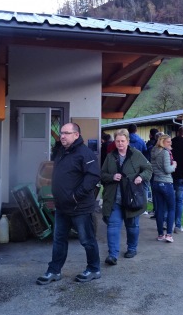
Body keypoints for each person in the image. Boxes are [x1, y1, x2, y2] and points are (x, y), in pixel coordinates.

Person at [36, 122, 101, 285]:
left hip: (80, 207)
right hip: (62, 206)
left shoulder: (85, 154)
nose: (62, 136)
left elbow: (93, 177)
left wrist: (75, 196)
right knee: (59, 240)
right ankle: (54, 271)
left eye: (66, 133)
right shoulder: (62, 152)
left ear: (76, 135)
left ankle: (94, 269)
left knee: (87, 240)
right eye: (61, 133)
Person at [100, 129, 152, 265]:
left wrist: (141, 177)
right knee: (113, 226)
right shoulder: (110, 156)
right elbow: (102, 174)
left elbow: (148, 169)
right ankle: (112, 255)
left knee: (132, 226)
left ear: (128, 141)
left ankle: (132, 248)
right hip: (114, 199)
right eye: (117, 141)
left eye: (123, 141)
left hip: (132, 198)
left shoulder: (136, 155)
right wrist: (112, 177)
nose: (120, 143)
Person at [150, 134, 177, 242]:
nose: (170, 143)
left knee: (159, 210)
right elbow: (167, 169)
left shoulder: (153, 151)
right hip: (166, 183)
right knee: (171, 208)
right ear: (162, 142)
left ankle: (160, 234)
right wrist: (174, 166)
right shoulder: (165, 153)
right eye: (168, 141)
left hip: (156, 182)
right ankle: (169, 234)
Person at [145, 128, 159, 215]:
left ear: (150, 135)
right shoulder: (159, 147)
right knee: (155, 191)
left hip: (149, 169)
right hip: (156, 171)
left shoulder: (149, 145)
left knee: (146, 188)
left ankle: (146, 208)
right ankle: (155, 209)